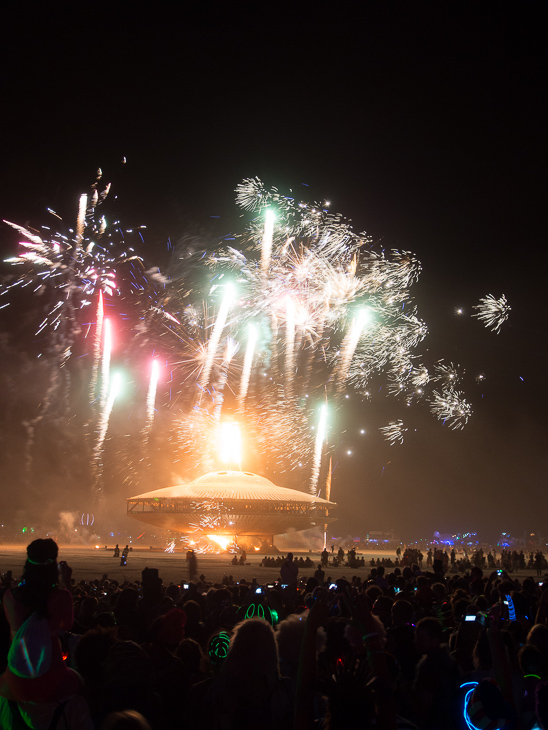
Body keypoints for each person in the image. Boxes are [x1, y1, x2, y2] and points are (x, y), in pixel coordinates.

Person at [0, 539, 91, 728]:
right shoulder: (61, 596)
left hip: (16, 679)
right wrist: (65, 582)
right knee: (84, 687)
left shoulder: (10, 597)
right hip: (53, 677)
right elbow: (67, 624)